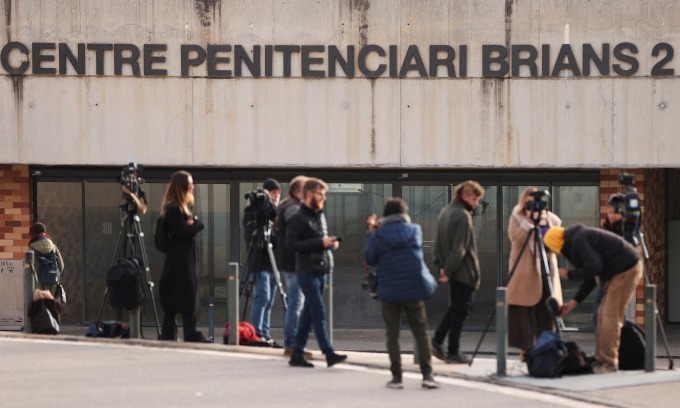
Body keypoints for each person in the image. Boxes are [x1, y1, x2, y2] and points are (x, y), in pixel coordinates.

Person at [543, 224, 643, 373]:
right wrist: (574, 302)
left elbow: (594, 267)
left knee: (610, 316)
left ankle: (609, 362)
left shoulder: (579, 240)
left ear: (557, 246)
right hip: (616, 272)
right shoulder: (577, 239)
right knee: (602, 314)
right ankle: (601, 359)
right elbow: (591, 276)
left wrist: (570, 275)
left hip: (625, 269)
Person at [364, 198, 439, 390]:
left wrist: (371, 233)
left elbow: (370, 258)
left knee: (392, 335)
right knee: (421, 333)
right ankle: (427, 375)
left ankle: (397, 378)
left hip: (390, 290)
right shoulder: (415, 230)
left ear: (385, 215)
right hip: (414, 288)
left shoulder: (380, 234)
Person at [286, 178, 347, 368]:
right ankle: (328, 353)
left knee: (308, 315)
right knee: (318, 312)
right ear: (310, 194)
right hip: (307, 271)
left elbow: (318, 241)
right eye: (321, 194)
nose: (324, 198)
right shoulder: (298, 217)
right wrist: (320, 243)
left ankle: (297, 354)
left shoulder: (318, 215)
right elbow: (291, 245)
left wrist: (329, 245)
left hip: (321, 269)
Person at [431, 180, 484, 364]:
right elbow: (460, 249)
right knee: (461, 310)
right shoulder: (462, 216)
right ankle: (452, 350)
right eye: (474, 199)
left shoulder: (446, 212)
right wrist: (449, 270)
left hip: (452, 271)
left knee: (455, 307)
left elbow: (437, 245)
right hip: (463, 273)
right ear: (464, 196)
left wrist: (441, 267)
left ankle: (438, 341)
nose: (476, 203)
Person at [506, 187, 563, 360]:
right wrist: (528, 222)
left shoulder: (551, 219)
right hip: (524, 273)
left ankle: (546, 346)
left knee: (546, 311)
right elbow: (514, 238)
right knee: (523, 312)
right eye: (528, 201)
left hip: (546, 270)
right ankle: (526, 350)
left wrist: (542, 222)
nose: (531, 205)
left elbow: (557, 240)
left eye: (534, 202)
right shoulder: (517, 216)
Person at [158, 170, 209, 343]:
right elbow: (183, 231)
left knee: (180, 298)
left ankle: (172, 334)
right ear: (182, 187)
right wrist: (196, 223)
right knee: (185, 297)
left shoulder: (177, 209)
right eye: (190, 184)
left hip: (180, 262)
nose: (192, 187)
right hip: (180, 263)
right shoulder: (174, 209)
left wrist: (191, 222)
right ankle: (188, 333)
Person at [275, 175, 313, 359]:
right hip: (294, 262)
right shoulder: (293, 209)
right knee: (296, 302)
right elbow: (296, 233)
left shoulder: (286, 205)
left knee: (295, 301)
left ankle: (293, 343)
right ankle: (292, 344)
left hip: (288, 261)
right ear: (299, 192)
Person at [245, 178, 283, 347]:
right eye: (273, 193)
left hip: (273, 263)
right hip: (259, 263)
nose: (276, 197)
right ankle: (257, 333)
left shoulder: (274, 214)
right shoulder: (252, 212)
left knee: (269, 301)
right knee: (262, 298)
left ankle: (265, 333)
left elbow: (278, 239)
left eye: (278, 194)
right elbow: (252, 235)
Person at [28, 222, 65, 295]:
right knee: (51, 306)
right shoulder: (53, 247)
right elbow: (61, 266)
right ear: (44, 232)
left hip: (37, 287)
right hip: (53, 285)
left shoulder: (31, 249)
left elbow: (29, 271)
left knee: (39, 306)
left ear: (33, 234)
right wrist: (54, 275)